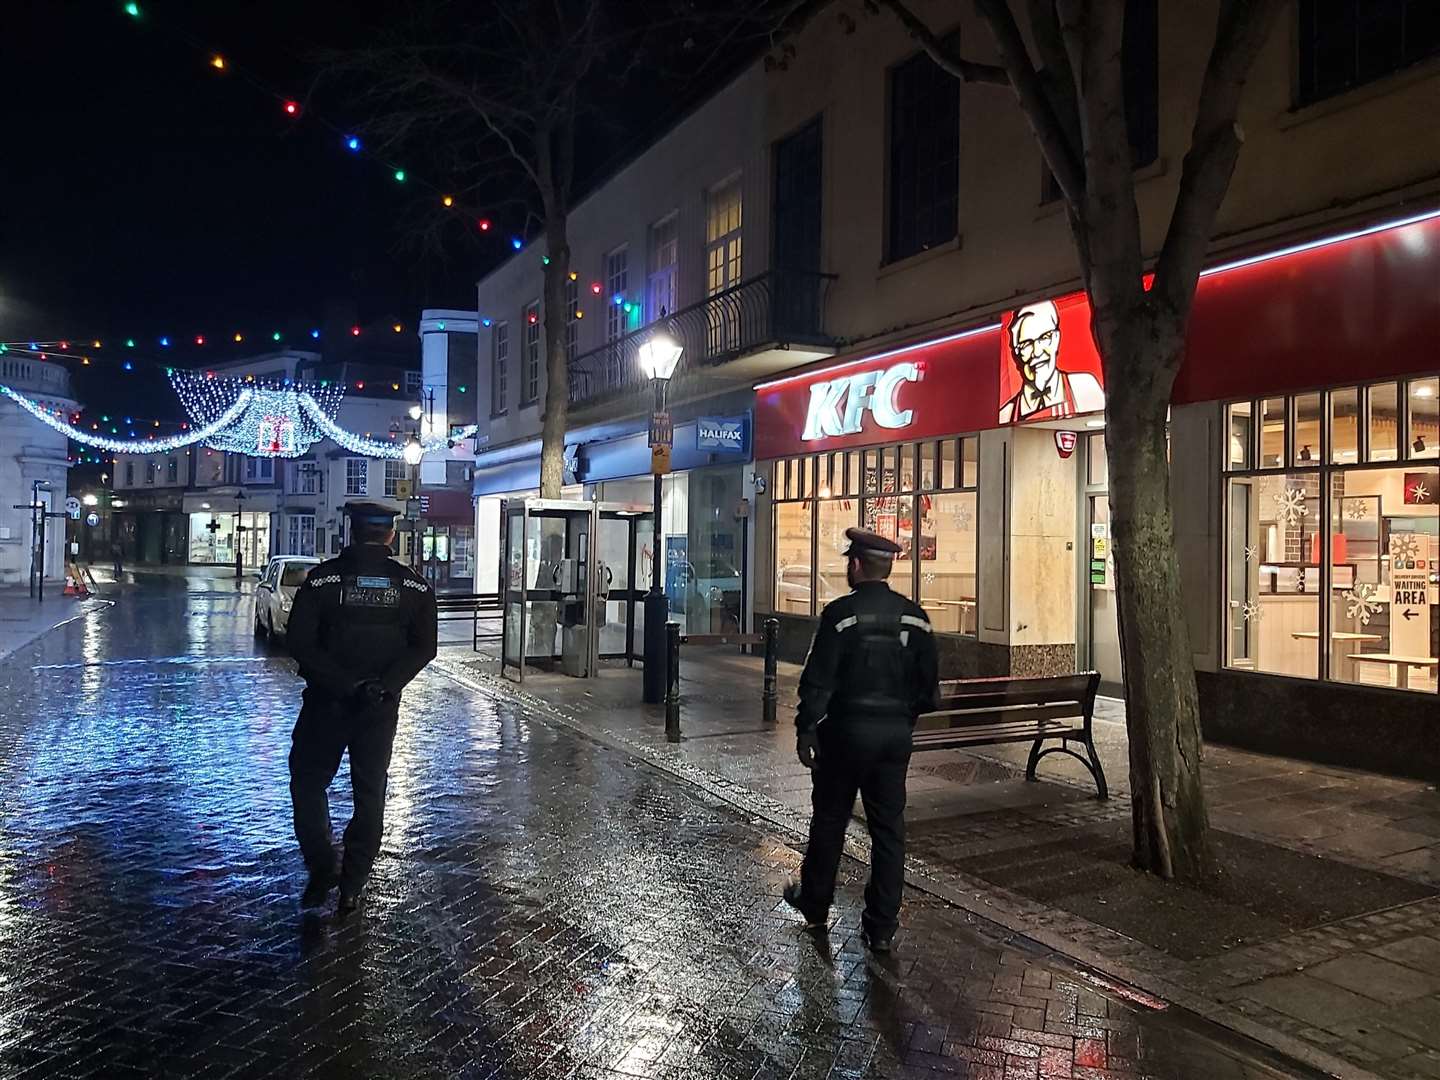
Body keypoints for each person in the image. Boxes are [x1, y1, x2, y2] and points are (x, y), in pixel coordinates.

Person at [784, 527, 939, 953]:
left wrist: (806, 728)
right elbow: (929, 691)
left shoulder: (839, 615)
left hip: (844, 736)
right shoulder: (916, 617)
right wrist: (900, 719)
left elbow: (817, 682)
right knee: (889, 830)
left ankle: (815, 905)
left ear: (855, 565)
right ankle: (882, 925)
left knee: (830, 820)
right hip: (892, 740)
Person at [285, 500, 438, 915]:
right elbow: (425, 647)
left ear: (351, 533)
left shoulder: (321, 582)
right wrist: (383, 687)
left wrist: (343, 684)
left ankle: (321, 864)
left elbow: (299, 643)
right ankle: (353, 883)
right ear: (390, 535)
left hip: (325, 704)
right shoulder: (416, 588)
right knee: (370, 793)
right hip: (379, 710)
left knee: (309, 780)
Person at [998, 299, 1106, 423]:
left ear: (1056, 338)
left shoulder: (1084, 388)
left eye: (1045, 338)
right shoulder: (1006, 414)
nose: (1037, 352)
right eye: (1026, 344)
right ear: (1016, 352)